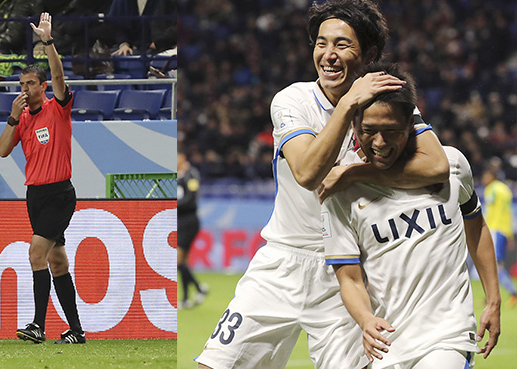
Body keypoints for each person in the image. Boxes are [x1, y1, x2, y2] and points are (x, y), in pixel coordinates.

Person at [195, 0, 450, 368]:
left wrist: (355, 173)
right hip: (281, 263)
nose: (328, 55)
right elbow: (307, 173)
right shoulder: (292, 100)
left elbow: (437, 167)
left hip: (347, 274)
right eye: (321, 43)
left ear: (370, 53)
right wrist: (348, 105)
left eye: (342, 45)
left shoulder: (386, 102)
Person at [323, 62, 501, 368]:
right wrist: (366, 319)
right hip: (388, 344)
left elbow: (476, 228)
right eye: (369, 131)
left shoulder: (454, 164)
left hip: (447, 335)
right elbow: (349, 278)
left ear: (411, 126)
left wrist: (493, 299)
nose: (379, 143)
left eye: (391, 131)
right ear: (354, 127)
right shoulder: (341, 190)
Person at [0, 13, 85, 345]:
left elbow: (60, 74)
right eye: (21, 85)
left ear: (43, 87)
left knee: (36, 253)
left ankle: (37, 324)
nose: (25, 89)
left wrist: (47, 41)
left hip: (60, 193)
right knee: (57, 260)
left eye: (30, 84)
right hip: (35, 194)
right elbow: (3, 151)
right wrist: (12, 116)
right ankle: (76, 331)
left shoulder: (57, 109)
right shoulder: (21, 119)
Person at [482, 160, 517, 308]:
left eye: (485, 176)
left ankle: (512, 293)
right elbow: (508, 213)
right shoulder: (506, 189)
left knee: (495, 265)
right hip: (504, 230)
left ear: (492, 176)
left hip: (494, 229)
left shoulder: (492, 189)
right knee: (494, 265)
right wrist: (509, 235)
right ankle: (490, 297)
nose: (484, 179)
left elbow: (488, 211)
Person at [177, 146, 208, 309]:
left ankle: (197, 289)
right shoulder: (176, 176)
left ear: (182, 157)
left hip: (189, 221)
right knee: (183, 262)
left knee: (177, 260)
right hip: (179, 221)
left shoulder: (191, 174)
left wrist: (172, 205)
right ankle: (188, 296)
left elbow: (191, 198)